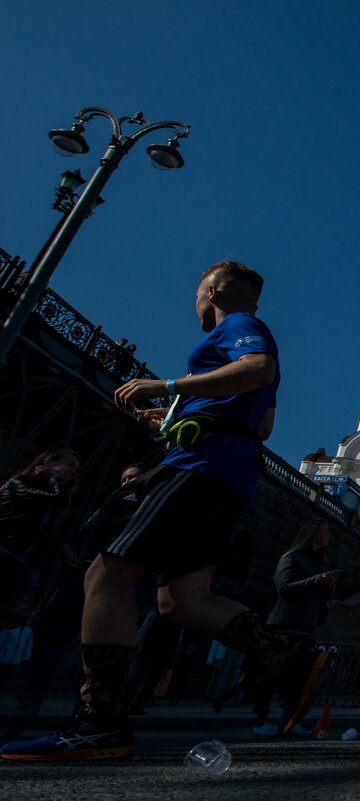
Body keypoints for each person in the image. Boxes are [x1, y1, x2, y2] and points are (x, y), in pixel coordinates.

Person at [3, 260, 324, 762]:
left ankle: (100, 722)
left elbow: (256, 368)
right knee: (182, 599)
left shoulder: (240, 327)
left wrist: (167, 388)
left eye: (199, 293)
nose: (196, 302)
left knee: (107, 575)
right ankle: (293, 659)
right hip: (229, 468)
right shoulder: (250, 343)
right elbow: (260, 426)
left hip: (199, 467)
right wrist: (175, 422)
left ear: (213, 290)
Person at [2, 463, 144, 739]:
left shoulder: (142, 506)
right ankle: (29, 703)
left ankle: (90, 710)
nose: (127, 483)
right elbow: (83, 531)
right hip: (82, 574)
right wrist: (70, 547)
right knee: (56, 641)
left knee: (100, 648)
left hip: (115, 580)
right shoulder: (109, 504)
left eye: (133, 478)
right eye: (124, 478)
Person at [253, 519, 337, 736]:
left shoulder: (321, 562)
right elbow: (284, 588)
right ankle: (261, 721)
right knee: (273, 674)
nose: (329, 535)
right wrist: (317, 580)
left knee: (300, 677)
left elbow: (319, 593)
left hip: (306, 626)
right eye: (326, 531)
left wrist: (327, 586)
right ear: (313, 533)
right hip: (284, 625)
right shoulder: (291, 558)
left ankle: (289, 720)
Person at [0, 450, 80, 622]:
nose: (73, 471)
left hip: (14, 565)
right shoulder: (20, 482)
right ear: (49, 463)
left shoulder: (48, 509)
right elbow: (59, 498)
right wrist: (55, 479)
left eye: (76, 470)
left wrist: (31, 584)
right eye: (70, 464)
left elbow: (40, 547)